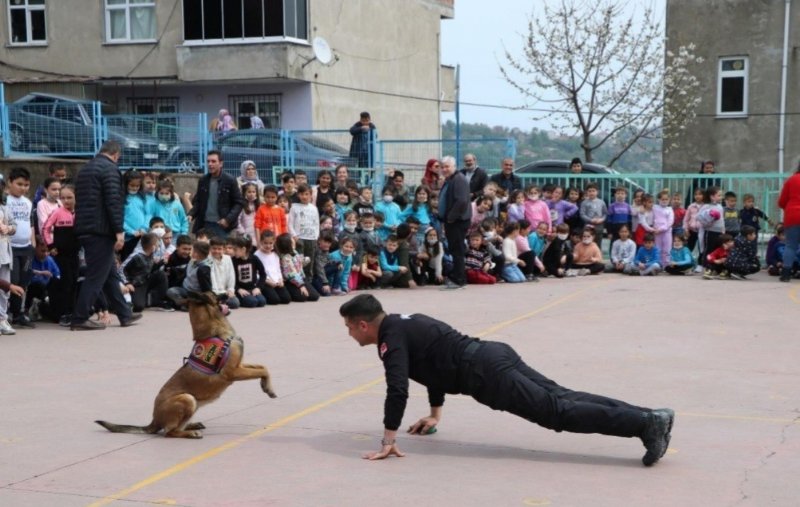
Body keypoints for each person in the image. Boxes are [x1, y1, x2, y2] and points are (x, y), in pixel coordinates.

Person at [339, 294, 675, 465]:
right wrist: (436, 413)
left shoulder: (389, 339)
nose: (350, 334)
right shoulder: (401, 322)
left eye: (349, 327)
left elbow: (397, 388)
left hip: (484, 373)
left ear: (363, 324)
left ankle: (645, 424)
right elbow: (432, 366)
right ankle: (651, 417)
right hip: (492, 354)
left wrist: (387, 441)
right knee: (563, 396)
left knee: (556, 411)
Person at [71, 141, 140, 330]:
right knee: (96, 275)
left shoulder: (85, 169)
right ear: (116, 154)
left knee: (108, 273)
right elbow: (113, 202)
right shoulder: (110, 170)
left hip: (85, 227)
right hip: (101, 230)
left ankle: (124, 314)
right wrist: (119, 231)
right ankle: (79, 318)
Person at [41, 184, 77, 325]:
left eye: (69, 197)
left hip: (74, 254)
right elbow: (45, 228)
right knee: (64, 283)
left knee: (74, 282)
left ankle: (72, 311)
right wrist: (51, 246)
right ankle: (62, 313)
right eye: (63, 198)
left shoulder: (79, 213)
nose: (66, 201)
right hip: (61, 255)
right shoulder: (57, 212)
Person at [5, 167, 36, 328]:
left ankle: (19, 313)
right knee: (13, 280)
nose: (23, 188)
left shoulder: (28, 202)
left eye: (26, 185)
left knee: (24, 280)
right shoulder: (5, 201)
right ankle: (8, 312)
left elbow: (31, 224)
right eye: (19, 184)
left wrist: (33, 245)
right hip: (11, 247)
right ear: (10, 182)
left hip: (26, 248)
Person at [188, 150, 244, 239]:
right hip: (205, 224)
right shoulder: (203, 180)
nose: (210, 164)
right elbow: (198, 201)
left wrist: (228, 219)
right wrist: (191, 214)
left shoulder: (229, 180)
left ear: (221, 163)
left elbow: (239, 202)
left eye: (213, 161)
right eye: (208, 161)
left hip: (222, 226)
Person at [438, 155, 472, 289]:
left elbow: (462, 201)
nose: (444, 169)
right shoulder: (451, 179)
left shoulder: (459, 179)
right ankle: (458, 277)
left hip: (457, 221)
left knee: (457, 250)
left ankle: (459, 279)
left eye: (447, 166)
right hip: (452, 220)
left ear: (454, 167)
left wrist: (451, 217)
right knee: (454, 249)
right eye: (442, 167)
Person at [277, 233, 319, 302]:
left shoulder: (294, 251)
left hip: (301, 277)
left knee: (314, 296)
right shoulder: (285, 258)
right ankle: (289, 291)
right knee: (302, 297)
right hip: (291, 281)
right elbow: (291, 274)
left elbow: (298, 262)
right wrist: (301, 286)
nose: (294, 240)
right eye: (292, 240)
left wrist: (305, 260)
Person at [253, 230, 291, 305]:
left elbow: (278, 269)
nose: (268, 246)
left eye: (270, 243)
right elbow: (256, 273)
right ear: (261, 242)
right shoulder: (256, 255)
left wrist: (280, 280)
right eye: (265, 243)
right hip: (265, 282)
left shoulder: (275, 255)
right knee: (274, 300)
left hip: (276, 281)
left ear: (274, 242)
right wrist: (267, 281)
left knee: (286, 299)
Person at [777, 164, 800, 282]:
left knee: (790, 246)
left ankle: (786, 274)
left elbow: (781, 202)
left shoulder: (791, 180)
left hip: (793, 216)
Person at [231, 235, 267, 307]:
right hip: (240, 289)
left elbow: (263, 274)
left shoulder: (254, 258)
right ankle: (240, 298)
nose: (233, 252)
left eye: (235, 250)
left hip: (252, 288)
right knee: (252, 302)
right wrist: (238, 289)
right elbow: (230, 279)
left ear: (243, 249)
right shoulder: (233, 261)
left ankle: (251, 297)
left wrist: (258, 288)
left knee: (262, 302)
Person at [579, 183, 607, 247]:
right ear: (587, 192)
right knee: (587, 243)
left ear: (597, 192)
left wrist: (601, 219)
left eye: (593, 191)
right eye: (590, 191)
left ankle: (597, 256)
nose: (591, 193)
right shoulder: (584, 202)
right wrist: (591, 220)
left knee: (598, 244)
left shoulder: (601, 202)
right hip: (588, 227)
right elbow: (582, 214)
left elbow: (605, 213)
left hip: (599, 226)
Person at [653, 190, 675, 267]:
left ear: (669, 200)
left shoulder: (670, 209)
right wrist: (654, 229)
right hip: (656, 232)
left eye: (666, 199)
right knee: (658, 248)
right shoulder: (655, 207)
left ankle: (666, 265)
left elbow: (670, 222)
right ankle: (659, 264)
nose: (664, 201)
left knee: (667, 248)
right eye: (662, 199)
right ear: (658, 199)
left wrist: (661, 229)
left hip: (666, 232)